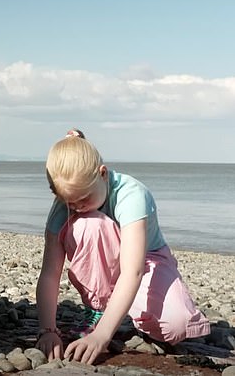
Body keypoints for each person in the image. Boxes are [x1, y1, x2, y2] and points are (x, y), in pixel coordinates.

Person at [35, 129, 210, 365]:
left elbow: (133, 271)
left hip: (146, 262)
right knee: (90, 223)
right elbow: (50, 273)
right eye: (69, 201)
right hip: (106, 268)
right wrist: (47, 330)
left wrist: (102, 336)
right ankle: (98, 309)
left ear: (103, 174)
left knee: (176, 327)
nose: (77, 207)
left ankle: (119, 313)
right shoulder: (63, 206)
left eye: (84, 198)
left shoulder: (131, 195)